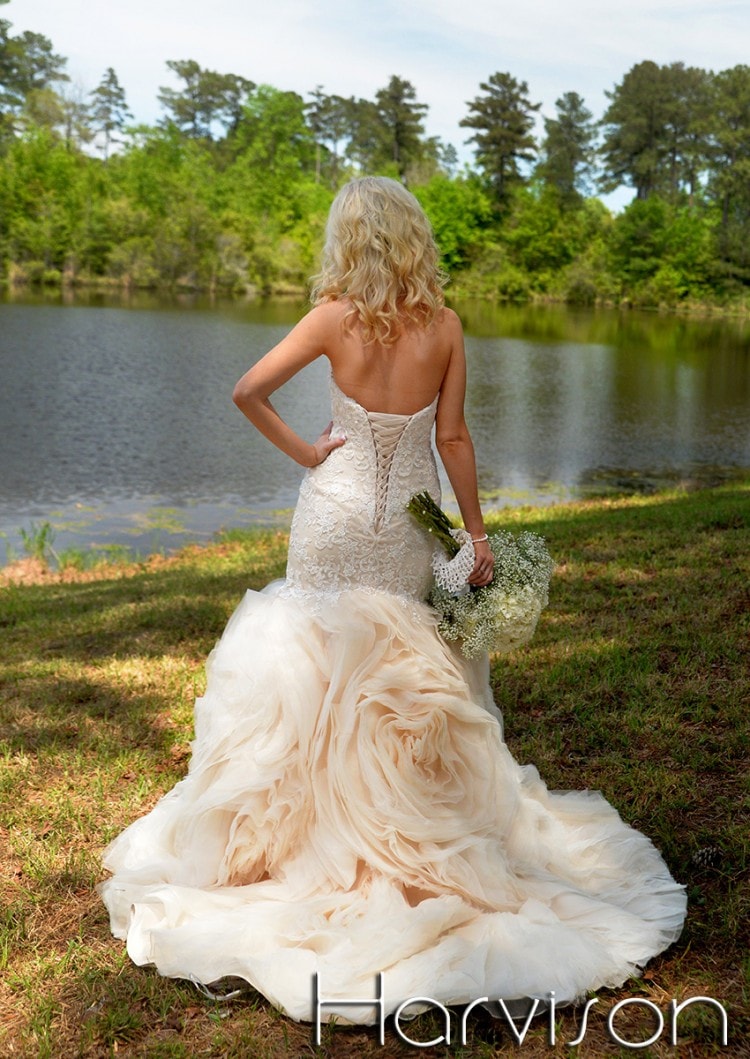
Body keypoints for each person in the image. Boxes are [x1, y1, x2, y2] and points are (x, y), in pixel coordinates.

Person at [99, 176, 686, 1027]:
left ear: (348, 241)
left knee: (314, 664)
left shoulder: (332, 317)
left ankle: (303, 839)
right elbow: (452, 437)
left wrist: (307, 451)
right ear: (414, 238)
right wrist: (476, 537)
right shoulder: (444, 326)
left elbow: (246, 390)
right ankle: (399, 827)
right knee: (396, 674)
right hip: (408, 527)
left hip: (333, 515)